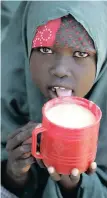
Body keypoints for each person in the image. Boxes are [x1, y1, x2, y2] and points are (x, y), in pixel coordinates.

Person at [1, 1, 107, 198]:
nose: (60, 69)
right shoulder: (6, 93)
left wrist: (76, 186)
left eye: (81, 53)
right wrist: (12, 175)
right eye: (45, 50)